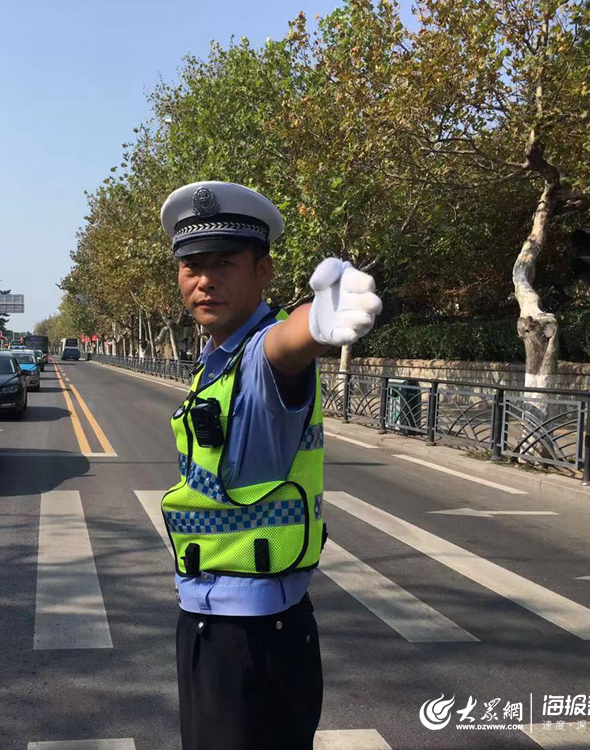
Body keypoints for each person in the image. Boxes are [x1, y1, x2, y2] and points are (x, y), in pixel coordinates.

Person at [159, 181, 382, 750]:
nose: (205, 279)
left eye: (225, 263)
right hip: (235, 626)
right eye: (192, 265)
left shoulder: (259, 352)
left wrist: (319, 319)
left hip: (248, 638)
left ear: (264, 271)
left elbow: (289, 341)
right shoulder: (218, 357)